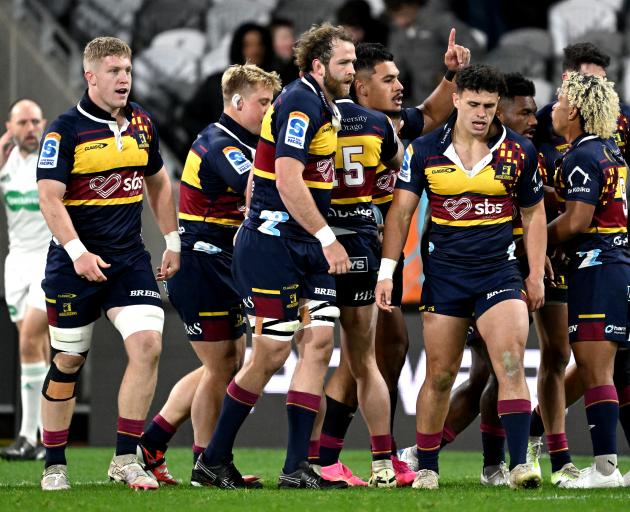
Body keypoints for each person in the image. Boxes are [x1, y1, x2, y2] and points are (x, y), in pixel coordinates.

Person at [191, 23, 355, 490]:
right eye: (344, 62)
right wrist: (328, 236)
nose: (351, 69)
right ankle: (213, 459)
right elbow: (286, 178)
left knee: (319, 343)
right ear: (319, 65)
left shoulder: (323, 103)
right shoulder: (300, 101)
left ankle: (296, 467)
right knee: (271, 352)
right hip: (274, 242)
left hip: (305, 244)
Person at [400, 73, 580, 487]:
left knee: (510, 364)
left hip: (500, 272)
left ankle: (516, 464)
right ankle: (427, 462)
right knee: (444, 374)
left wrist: (535, 272)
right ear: (458, 100)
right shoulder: (428, 150)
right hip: (446, 276)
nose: (482, 114)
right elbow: (403, 213)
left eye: (489, 106)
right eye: (475, 105)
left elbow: (535, 214)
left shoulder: (521, 152)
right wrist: (390, 271)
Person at [315, 32, 471, 487]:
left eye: (400, 78)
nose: (399, 86)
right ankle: (333, 453)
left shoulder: (387, 123)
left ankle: (333, 453)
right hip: (356, 247)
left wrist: (450, 75)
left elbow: (429, 112)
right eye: (389, 80)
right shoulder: (369, 125)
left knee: (383, 351)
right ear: (361, 87)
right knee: (362, 355)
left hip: (379, 250)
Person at [36, 36, 180, 491]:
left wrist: (173, 239)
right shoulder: (64, 131)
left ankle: (124, 458)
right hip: (72, 262)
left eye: (128, 70)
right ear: (90, 76)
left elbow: (159, 182)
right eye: (114, 71)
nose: (124, 79)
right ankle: (54, 463)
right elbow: (49, 197)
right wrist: (78, 253)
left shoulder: (142, 123)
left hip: (128, 260)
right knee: (68, 360)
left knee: (148, 346)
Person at [137, 64, 281, 484]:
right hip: (202, 264)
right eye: (263, 103)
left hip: (223, 265)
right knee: (221, 368)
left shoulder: (245, 142)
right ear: (237, 103)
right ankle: (206, 462)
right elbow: (257, 191)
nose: (270, 112)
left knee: (226, 364)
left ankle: (152, 441)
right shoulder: (221, 143)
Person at [529, 41, 630, 475]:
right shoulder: (609, 150)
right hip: (615, 262)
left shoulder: (584, 156)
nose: (553, 107)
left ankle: (605, 468)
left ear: (573, 111)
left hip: (596, 264)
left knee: (594, 369)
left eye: (561, 101)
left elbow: (575, 222)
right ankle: (607, 465)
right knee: (610, 371)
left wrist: (531, 245)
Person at [0, 99, 50, 461]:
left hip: (49, 261)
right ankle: (48, 434)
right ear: (10, 127)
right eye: (23, 123)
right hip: (16, 263)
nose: (30, 128)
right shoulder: (6, 164)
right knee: (37, 347)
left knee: (30, 340)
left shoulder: (50, 161)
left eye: (35, 122)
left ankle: (27, 436)